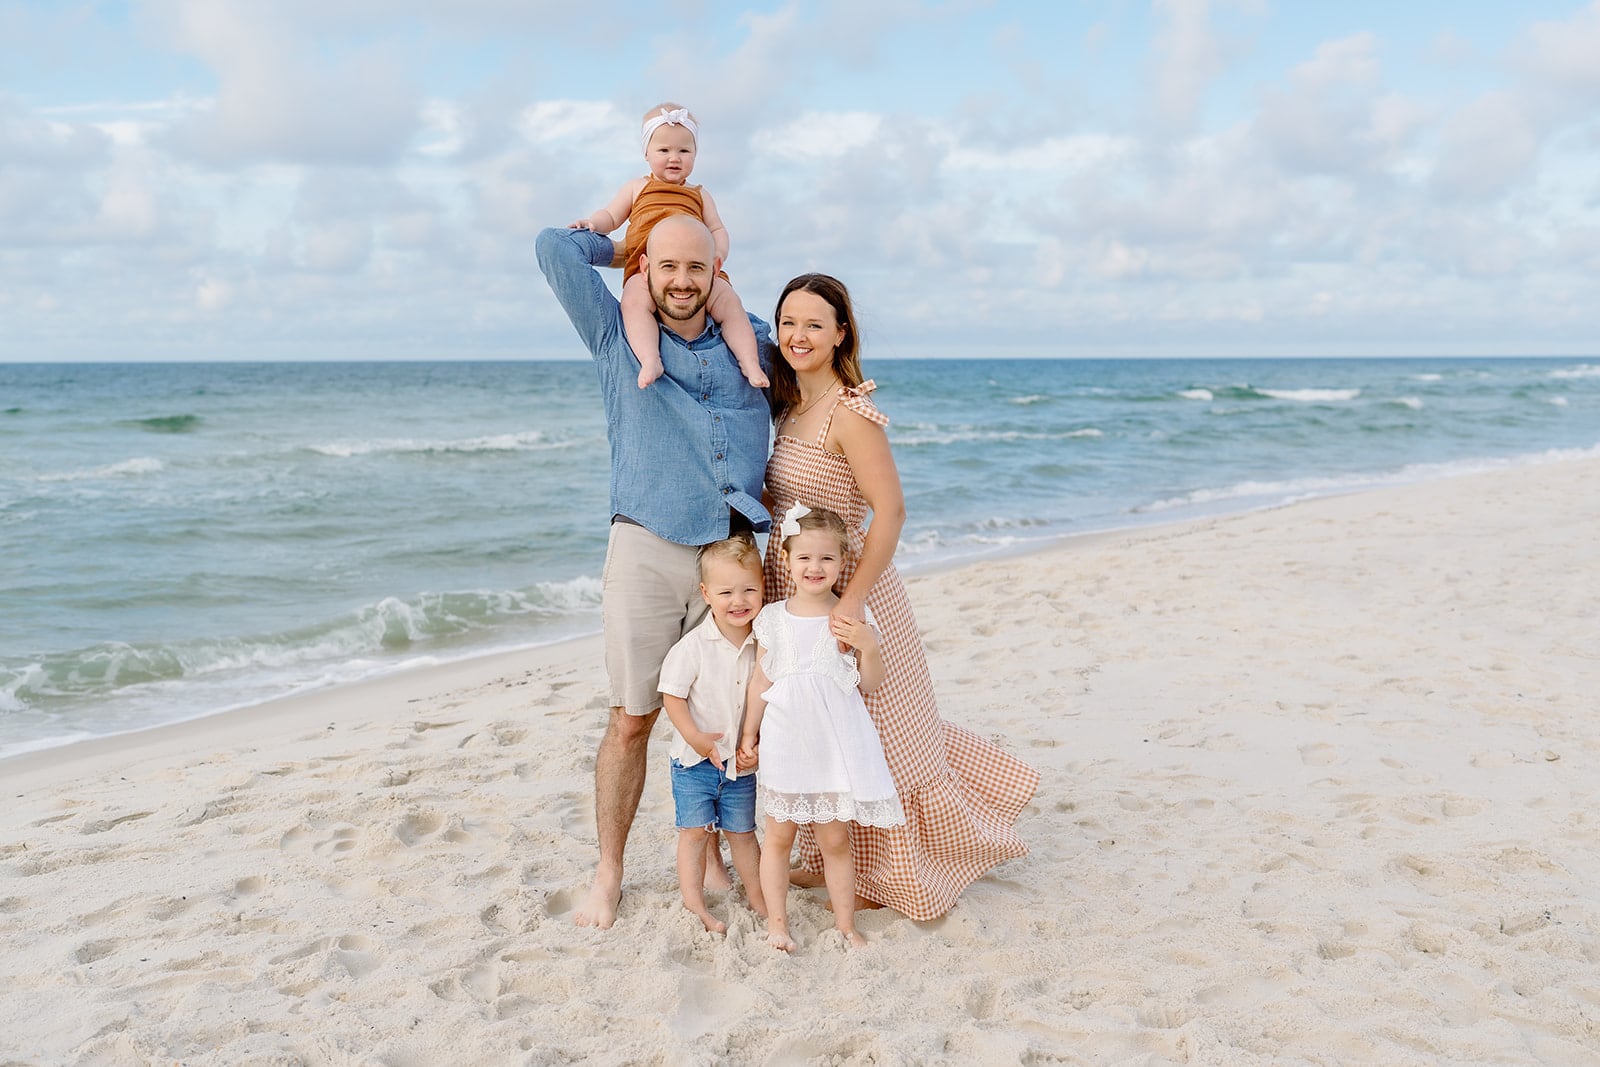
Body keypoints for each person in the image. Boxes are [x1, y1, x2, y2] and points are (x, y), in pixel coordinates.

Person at [762, 272, 1040, 921]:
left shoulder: (850, 413)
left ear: (840, 334)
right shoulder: (788, 407)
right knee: (819, 723)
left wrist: (852, 603)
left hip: (853, 591)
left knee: (878, 729)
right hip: (799, 585)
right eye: (788, 323)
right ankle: (832, 853)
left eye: (813, 324)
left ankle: (883, 867)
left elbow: (890, 512)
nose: (797, 335)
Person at [535, 212, 774, 930]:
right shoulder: (617, 335)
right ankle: (609, 870)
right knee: (634, 717)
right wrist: (622, 234)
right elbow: (553, 247)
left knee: (721, 715)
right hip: (645, 544)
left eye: (694, 267)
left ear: (715, 273)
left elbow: (814, 356)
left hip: (729, 558)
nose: (680, 281)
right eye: (665, 266)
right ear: (647, 269)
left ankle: (705, 850)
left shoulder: (750, 339)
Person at [739, 504, 904, 950]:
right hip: (786, 739)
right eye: (805, 558)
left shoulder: (849, 618)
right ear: (787, 561)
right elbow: (761, 679)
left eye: (827, 559)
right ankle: (778, 924)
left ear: (842, 562)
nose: (815, 567)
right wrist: (749, 733)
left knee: (834, 840)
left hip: (833, 744)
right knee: (778, 837)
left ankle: (846, 925)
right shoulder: (772, 617)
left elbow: (868, 684)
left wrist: (868, 647)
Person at [570, 102, 769, 392]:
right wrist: (594, 223)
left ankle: (749, 361)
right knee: (634, 303)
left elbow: (717, 229)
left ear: (695, 155)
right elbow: (611, 216)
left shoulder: (699, 195)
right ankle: (650, 359)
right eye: (664, 150)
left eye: (684, 151)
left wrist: (718, 253)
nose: (674, 158)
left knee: (730, 304)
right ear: (647, 153)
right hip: (649, 269)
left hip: (695, 268)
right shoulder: (638, 188)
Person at [658, 535, 768, 934]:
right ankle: (696, 906)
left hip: (740, 763)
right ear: (706, 594)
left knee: (743, 834)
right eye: (725, 592)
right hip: (695, 762)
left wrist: (756, 745)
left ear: (763, 588)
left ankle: (758, 898)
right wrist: (696, 737)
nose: (738, 600)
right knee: (694, 834)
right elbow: (673, 697)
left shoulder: (763, 644)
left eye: (749, 589)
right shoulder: (693, 647)